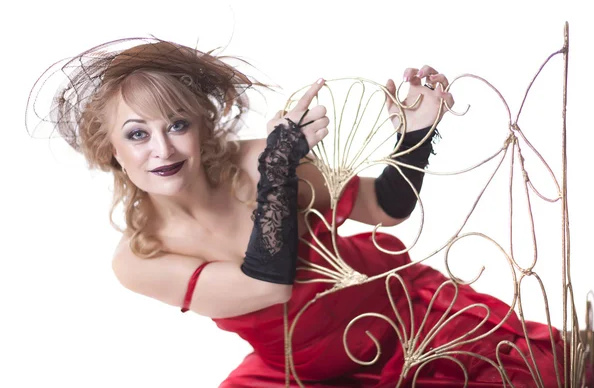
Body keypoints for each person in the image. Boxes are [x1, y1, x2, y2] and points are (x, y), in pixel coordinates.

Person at [28, 38, 565, 387]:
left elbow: (386, 207)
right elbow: (268, 289)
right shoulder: (139, 257)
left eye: (177, 125)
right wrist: (279, 171)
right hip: (301, 374)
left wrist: (417, 134)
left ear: (200, 127)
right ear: (111, 151)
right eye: (138, 134)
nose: (162, 150)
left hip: (404, 320)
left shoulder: (260, 157)